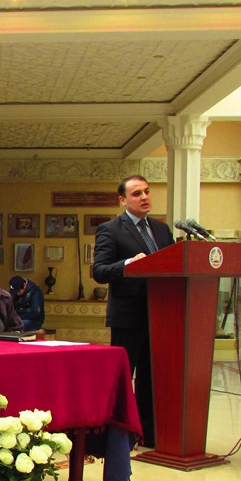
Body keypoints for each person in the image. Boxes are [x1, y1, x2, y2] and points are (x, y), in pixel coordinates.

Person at [92, 174, 173, 447]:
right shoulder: (111, 229)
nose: (144, 197)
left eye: (147, 191)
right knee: (124, 379)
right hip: (128, 317)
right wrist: (128, 264)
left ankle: (148, 434)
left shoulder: (162, 230)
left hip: (161, 315)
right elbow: (100, 271)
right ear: (123, 200)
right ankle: (119, 436)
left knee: (152, 379)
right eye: (137, 193)